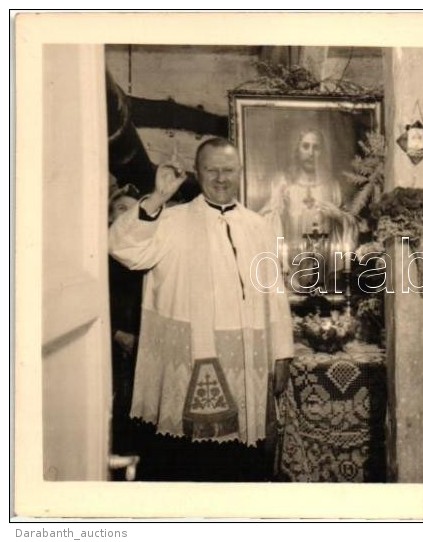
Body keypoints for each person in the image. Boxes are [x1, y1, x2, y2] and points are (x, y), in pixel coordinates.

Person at [109, 137, 295, 481]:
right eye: (211, 170)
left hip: (244, 355)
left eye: (228, 170)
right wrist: (158, 197)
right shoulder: (171, 220)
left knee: (241, 459)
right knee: (186, 460)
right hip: (189, 355)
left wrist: (282, 352)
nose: (221, 178)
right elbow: (123, 248)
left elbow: (275, 290)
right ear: (197, 172)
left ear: (240, 172)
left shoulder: (259, 227)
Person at [262, 128, 357, 291]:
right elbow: (265, 221)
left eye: (316, 147)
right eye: (305, 146)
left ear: (322, 152)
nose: (310, 153)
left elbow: (351, 224)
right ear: (297, 150)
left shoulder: (332, 186)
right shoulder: (284, 186)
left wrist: (339, 217)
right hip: (291, 269)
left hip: (324, 267)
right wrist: (276, 212)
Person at [107, 183, 144, 459]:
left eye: (134, 210)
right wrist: (117, 333)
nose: (127, 215)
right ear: (109, 215)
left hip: (143, 342)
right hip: (112, 342)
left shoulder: (147, 253)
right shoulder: (97, 253)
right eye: (121, 208)